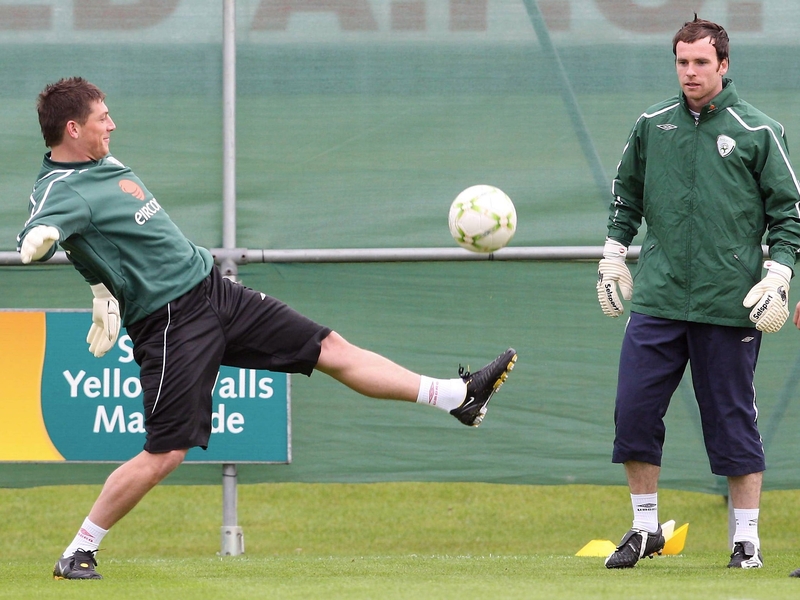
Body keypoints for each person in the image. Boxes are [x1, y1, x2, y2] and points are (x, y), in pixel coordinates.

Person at [17, 77, 518, 580]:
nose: (113, 123)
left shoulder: (104, 163)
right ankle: (78, 551)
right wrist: (41, 237)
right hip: (170, 321)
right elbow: (45, 227)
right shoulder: (60, 187)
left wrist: (100, 289)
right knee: (165, 453)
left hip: (214, 291)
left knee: (330, 347)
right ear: (73, 128)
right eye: (103, 117)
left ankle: (456, 396)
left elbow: (99, 241)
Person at [596, 16, 800, 570]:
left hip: (729, 304)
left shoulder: (759, 131)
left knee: (732, 422)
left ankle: (746, 541)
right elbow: (625, 197)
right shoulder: (651, 124)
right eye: (682, 62)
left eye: (701, 62)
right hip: (659, 300)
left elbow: (790, 216)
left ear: (724, 64)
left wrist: (778, 274)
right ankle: (643, 530)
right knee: (633, 413)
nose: (690, 72)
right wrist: (613, 255)